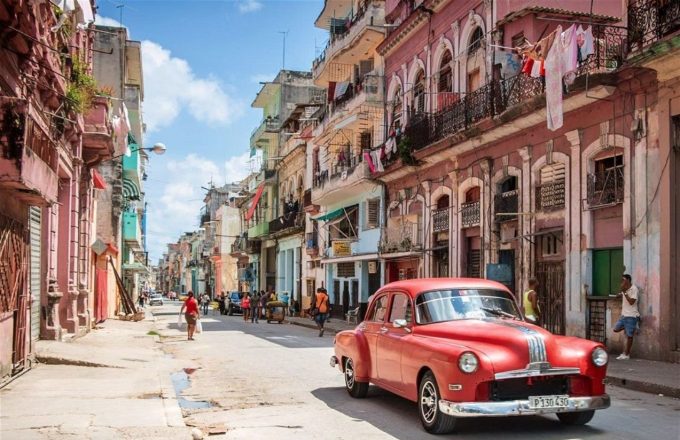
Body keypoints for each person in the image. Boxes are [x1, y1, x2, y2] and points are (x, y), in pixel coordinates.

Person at [613, 274, 640, 360]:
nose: (622, 282)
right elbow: (622, 296)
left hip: (631, 315)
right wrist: (619, 295)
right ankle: (631, 328)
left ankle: (626, 354)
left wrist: (624, 292)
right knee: (616, 329)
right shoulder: (625, 290)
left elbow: (632, 302)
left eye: (623, 280)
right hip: (624, 315)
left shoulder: (634, 289)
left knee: (629, 336)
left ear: (628, 280)